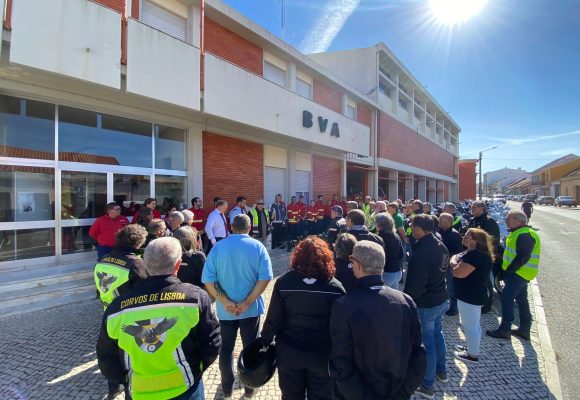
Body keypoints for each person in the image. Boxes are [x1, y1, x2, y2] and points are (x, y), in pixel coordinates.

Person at [97, 237, 221, 400]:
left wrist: (126, 380)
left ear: (144, 264)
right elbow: (212, 343)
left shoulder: (116, 309)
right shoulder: (194, 298)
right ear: (178, 265)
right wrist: (195, 370)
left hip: (139, 391)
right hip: (185, 387)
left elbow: (106, 358)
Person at [330, 240, 426, 399]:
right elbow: (419, 356)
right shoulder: (406, 301)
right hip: (397, 391)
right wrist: (402, 394)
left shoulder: (344, 306)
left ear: (357, 265)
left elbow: (341, 362)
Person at [261, 237, 345, 400]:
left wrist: (264, 341)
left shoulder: (284, 283)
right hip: (321, 354)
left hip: (289, 352)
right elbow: (341, 325)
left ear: (297, 257)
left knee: (291, 395)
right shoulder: (335, 288)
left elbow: (274, 319)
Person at [201, 215, 273, 400]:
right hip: (250, 310)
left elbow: (208, 279)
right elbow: (265, 277)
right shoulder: (258, 247)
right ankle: (249, 388)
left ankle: (227, 389)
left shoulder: (218, 247)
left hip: (227, 312)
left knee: (226, 349)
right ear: (250, 227)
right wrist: (247, 302)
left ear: (231, 227)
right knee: (250, 347)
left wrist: (225, 302)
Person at [404, 214, 449, 399]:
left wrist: (408, 301)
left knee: (427, 342)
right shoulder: (439, 243)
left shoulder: (422, 252)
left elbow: (417, 284)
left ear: (417, 229)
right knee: (438, 335)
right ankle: (441, 371)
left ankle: (427, 385)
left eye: (413, 227)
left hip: (427, 303)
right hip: (440, 297)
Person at [487, 210, 541, 341]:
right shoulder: (518, 233)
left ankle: (505, 329)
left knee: (506, 298)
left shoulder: (525, 235)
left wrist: (509, 270)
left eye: (509, 219)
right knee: (522, 300)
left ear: (519, 221)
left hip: (519, 273)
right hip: (520, 273)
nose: (506, 221)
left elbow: (522, 257)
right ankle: (524, 329)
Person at [451, 228, 494, 363]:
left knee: (470, 327)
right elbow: (456, 256)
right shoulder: (473, 252)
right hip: (473, 295)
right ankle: (470, 347)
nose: (464, 236)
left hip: (470, 296)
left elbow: (458, 272)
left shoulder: (475, 256)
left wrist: (454, 264)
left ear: (475, 240)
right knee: (474, 325)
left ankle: (472, 355)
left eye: (468, 235)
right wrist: (455, 260)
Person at [94, 224, 148, 309]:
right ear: (139, 243)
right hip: (127, 313)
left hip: (108, 310)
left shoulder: (102, 260)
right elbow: (146, 290)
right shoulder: (136, 264)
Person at [467, 200, 501, 314]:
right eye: (472, 207)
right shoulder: (473, 220)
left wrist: (487, 253)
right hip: (472, 253)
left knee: (487, 281)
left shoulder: (489, 221)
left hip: (484, 255)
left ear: (482, 208)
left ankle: (487, 305)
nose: (472, 209)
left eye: (474, 207)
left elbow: (494, 240)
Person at [438, 213, 464, 316]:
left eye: (442, 221)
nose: (439, 223)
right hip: (440, 263)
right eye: (439, 220)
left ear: (449, 222)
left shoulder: (454, 234)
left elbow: (458, 251)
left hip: (449, 265)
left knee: (451, 286)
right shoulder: (439, 232)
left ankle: (454, 308)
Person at [375, 213, 404, 290]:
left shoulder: (379, 238)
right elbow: (401, 255)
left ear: (379, 224)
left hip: (386, 273)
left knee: (385, 300)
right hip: (397, 272)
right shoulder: (396, 236)